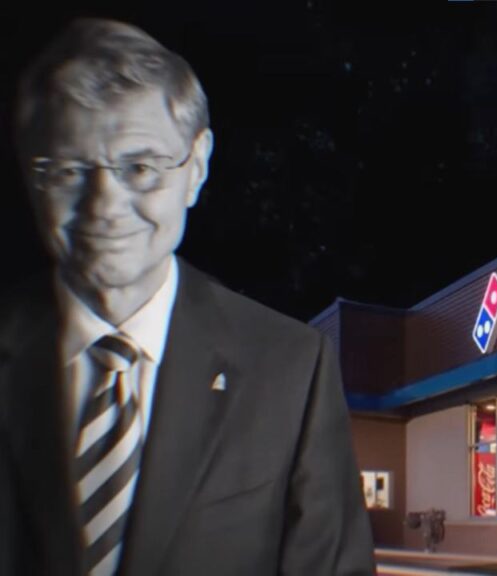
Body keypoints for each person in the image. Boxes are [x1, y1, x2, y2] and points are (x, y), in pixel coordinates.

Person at [0, 18, 375, 575]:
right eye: (70, 170)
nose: (105, 204)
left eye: (142, 168)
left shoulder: (292, 367)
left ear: (196, 167)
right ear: (32, 177)